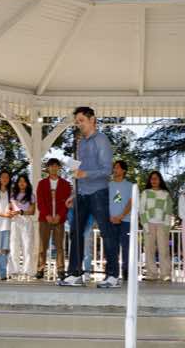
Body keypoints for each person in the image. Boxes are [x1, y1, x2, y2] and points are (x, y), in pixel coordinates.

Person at [59, 106, 119, 289]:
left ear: (92, 119)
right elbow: (78, 170)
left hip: (99, 192)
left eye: (81, 121)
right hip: (81, 194)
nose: (79, 124)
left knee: (106, 233)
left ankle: (112, 276)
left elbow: (106, 171)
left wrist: (86, 174)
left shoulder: (101, 140)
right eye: (77, 122)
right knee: (75, 233)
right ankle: (75, 274)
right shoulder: (81, 143)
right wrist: (73, 193)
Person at [35, 158, 71, 280]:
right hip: (45, 219)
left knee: (59, 246)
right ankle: (40, 269)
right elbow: (40, 202)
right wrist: (47, 215)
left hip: (59, 220)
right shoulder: (42, 183)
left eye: (56, 166)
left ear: (59, 168)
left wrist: (60, 215)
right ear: (48, 168)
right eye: (51, 166)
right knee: (42, 245)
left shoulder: (66, 184)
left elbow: (67, 203)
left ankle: (60, 270)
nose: (54, 168)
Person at [140, 171, 173, 282]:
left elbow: (169, 210)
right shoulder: (145, 193)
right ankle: (151, 274)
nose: (154, 180)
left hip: (162, 224)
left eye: (156, 178)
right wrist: (145, 224)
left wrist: (167, 226)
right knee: (149, 250)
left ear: (160, 180)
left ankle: (165, 274)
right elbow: (141, 209)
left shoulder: (165, 194)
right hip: (148, 224)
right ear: (149, 180)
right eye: (152, 178)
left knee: (164, 250)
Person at [109, 160, 133, 281]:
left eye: (117, 167)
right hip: (111, 221)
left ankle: (126, 271)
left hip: (126, 221)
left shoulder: (130, 186)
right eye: (114, 167)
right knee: (112, 247)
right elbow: (104, 202)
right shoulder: (108, 185)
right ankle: (113, 272)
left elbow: (131, 202)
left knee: (126, 247)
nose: (115, 169)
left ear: (123, 170)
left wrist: (121, 216)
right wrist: (110, 217)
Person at [9, 174, 36, 281]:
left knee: (27, 246)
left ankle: (27, 271)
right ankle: (14, 271)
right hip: (15, 221)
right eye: (20, 181)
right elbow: (10, 209)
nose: (22, 183)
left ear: (27, 183)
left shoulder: (31, 195)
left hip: (26, 221)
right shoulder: (12, 195)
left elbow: (32, 211)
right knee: (14, 246)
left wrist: (21, 212)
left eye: (24, 181)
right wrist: (11, 212)